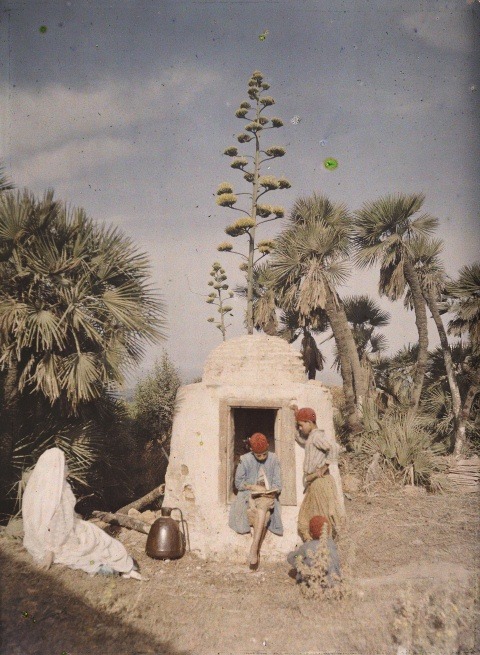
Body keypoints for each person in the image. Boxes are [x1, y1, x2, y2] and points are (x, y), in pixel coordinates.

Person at [22, 448, 142, 579]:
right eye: (64, 464)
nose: (67, 467)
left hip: (56, 532)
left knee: (97, 538)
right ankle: (106, 567)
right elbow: (55, 523)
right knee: (94, 549)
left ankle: (110, 566)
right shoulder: (56, 493)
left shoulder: (51, 487)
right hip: (59, 537)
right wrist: (51, 551)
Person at [228, 432, 283, 570]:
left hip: (267, 496)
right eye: (258, 455)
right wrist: (254, 487)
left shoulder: (274, 459)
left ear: (268, 447)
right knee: (262, 515)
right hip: (249, 494)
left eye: (265, 454)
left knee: (263, 509)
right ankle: (256, 549)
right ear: (252, 451)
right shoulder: (245, 460)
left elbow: (278, 484)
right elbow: (239, 484)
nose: (262, 457)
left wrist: (270, 490)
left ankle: (254, 548)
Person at [295, 407, 346, 541]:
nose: (300, 428)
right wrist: (295, 415)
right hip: (314, 483)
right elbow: (302, 440)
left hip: (320, 483)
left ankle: (325, 549)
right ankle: (317, 548)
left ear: (309, 422)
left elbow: (334, 447)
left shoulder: (317, 436)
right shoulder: (312, 437)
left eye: (301, 425)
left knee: (321, 517)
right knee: (310, 517)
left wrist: (325, 466)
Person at [287, 515, 341, 586]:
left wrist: (295, 554)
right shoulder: (332, 544)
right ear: (327, 531)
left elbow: (292, 558)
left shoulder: (307, 547)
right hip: (335, 584)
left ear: (311, 533)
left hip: (315, 586)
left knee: (300, 558)